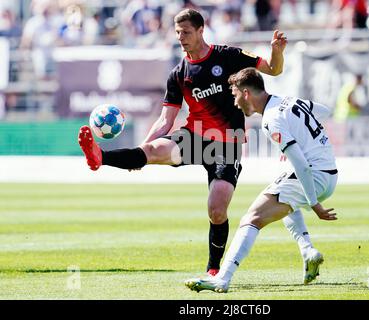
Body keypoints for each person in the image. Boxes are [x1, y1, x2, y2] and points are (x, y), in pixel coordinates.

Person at [78, 8, 288, 277]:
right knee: (154, 150)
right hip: (194, 136)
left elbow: (273, 69)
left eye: (186, 32)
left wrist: (277, 51)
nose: (181, 37)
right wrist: (144, 151)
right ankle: (99, 156)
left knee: (217, 209)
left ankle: (213, 268)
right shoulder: (179, 74)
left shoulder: (229, 56)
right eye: (178, 33)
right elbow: (166, 121)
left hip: (226, 145)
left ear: (201, 30)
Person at [185, 67, 338, 293]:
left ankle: (222, 279)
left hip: (313, 174)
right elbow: (323, 111)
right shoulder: (287, 100)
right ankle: (308, 250)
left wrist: (315, 205)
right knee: (283, 198)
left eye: (236, 96)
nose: (235, 103)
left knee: (251, 218)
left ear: (246, 93)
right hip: (329, 173)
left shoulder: (271, 119)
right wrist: (300, 137)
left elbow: (302, 166)